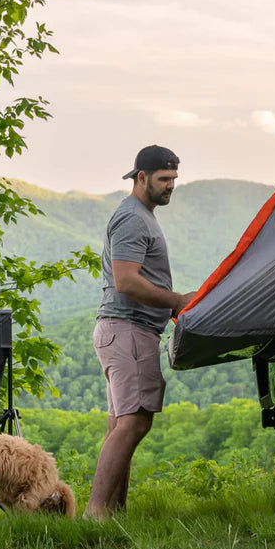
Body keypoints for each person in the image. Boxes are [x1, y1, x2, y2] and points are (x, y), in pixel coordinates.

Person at [85, 145, 196, 519]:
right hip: (128, 329)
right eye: (164, 179)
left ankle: (114, 514)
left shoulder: (141, 215)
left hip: (126, 332)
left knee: (124, 423)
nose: (170, 186)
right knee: (133, 422)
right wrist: (176, 300)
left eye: (174, 179)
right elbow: (126, 281)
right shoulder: (133, 218)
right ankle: (96, 514)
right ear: (142, 177)